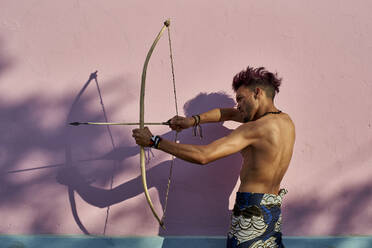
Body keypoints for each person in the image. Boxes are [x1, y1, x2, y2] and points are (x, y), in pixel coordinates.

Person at [132, 66, 295, 248]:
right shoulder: (284, 121)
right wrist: (191, 121)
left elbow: (204, 155)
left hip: (251, 213)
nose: (238, 106)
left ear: (257, 92)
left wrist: (155, 141)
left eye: (240, 99)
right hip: (271, 210)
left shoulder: (253, 129)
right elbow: (229, 113)